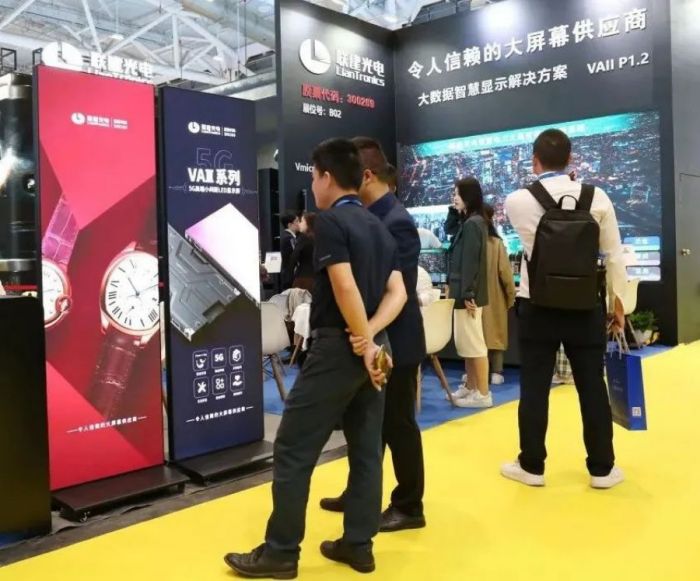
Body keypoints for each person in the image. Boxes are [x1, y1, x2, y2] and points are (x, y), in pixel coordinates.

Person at [224, 138, 407, 578]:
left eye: (313, 177)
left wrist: (362, 340)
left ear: (326, 177)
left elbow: (343, 286)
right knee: (366, 448)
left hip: (338, 348)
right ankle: (358, 545)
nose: (312, 186)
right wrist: (372, 337)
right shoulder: (379, 225)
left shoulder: (331, 222)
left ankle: (281, 552)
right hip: (373, 347)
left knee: (292, 445)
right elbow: (398, 293)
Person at [502, 128, 626, 489]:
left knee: (534, 386)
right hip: (585, 305)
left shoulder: (517, 201)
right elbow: (614, 256)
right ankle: (602, 469)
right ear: (571, 159)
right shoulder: (597, 197)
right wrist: (618, 306)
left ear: (534, 161)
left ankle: (532, 466)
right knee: (592, 386)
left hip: (537, 305)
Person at [319, 137, 427, 533]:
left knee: (398, 424)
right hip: (371, 339)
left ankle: (409, 505)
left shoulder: (396, 221)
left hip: (396, 339)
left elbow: (398, 291)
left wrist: (367, 331)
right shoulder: (365, 217)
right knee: (365, 424)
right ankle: (360, 492)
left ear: (365, 175)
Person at [448, 178, 492, 408]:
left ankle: (482, 393)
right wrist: (454, 210)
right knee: (467, 345)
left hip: (468, 295)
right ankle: (472, 386)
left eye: (457, 194)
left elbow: (471, 262)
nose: (454, 198)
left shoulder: (474, 224)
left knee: (474, 345)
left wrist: (468, 294)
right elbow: (449, 229)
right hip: (463, 293)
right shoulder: (469, 221)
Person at [482, 203, 516, 385]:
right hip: (495, 298)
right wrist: (510, 298)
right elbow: (506, 274)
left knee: (477, 337)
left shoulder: (469, 242)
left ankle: (476, 373)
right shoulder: (496, 243)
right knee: (495, 334)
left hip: (473, 300)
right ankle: (496, 370)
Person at [290, 212, 316, 292]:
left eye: (301, 221)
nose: (299, 224)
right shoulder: (319, 237)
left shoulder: (303, 238)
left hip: (303, 277)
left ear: (308, 223)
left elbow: (294, 257)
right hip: (317, 277)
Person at [280, 211, 300, 290]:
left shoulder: (288, 237)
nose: (299, 223)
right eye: (297, 221)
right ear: (289, 225)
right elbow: (295, 256)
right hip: (290, 276)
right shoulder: (289, 238)